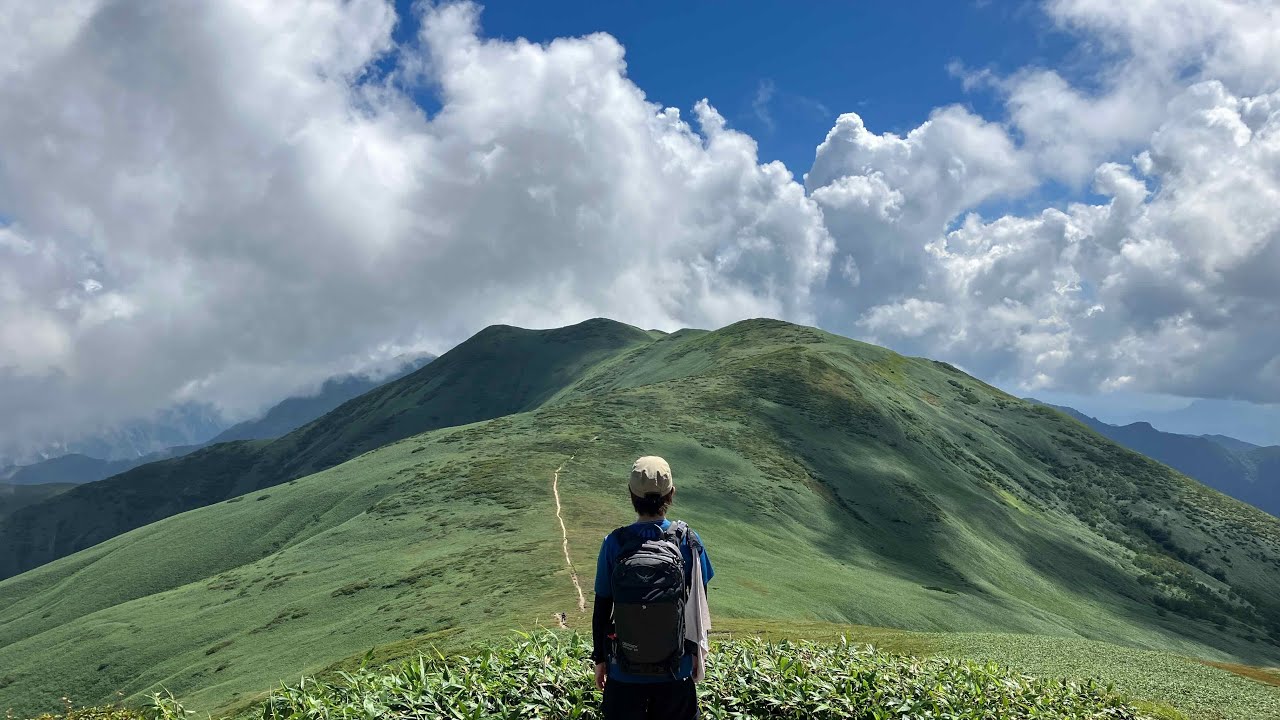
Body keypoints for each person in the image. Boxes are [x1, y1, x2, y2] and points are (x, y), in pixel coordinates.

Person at [591, 456, 713, 720]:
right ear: (671, 493)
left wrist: (600, 659)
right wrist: (694, 653)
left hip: (623, 670)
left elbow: (602, 605)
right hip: (675, 670)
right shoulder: (688, 540)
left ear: (631, 495)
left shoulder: (614, 542)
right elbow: (700, 601)